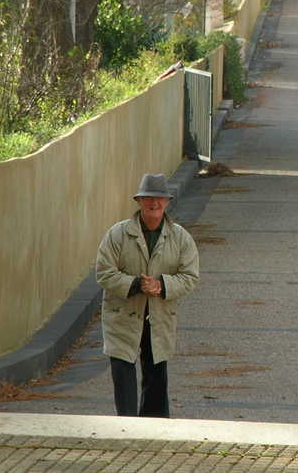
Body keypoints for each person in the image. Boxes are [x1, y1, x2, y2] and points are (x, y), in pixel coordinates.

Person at [95, 173, 200, 417]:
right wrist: (136, 284)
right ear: (139, 201)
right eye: (149, 199)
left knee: (156, 373)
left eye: (160, 199)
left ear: (167, 202)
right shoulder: (117, 234)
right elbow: (104, 272)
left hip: (159, 315)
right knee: (122, 370)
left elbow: (190, 276)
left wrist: (162, 286)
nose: (155, 204)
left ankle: (155, 427)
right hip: (121, 315)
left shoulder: (181, 237)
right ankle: (127, 425)